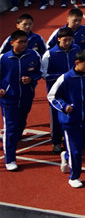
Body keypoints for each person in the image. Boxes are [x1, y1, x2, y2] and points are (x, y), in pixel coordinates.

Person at [48, 49, 85, 188]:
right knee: (75, 151)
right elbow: (52, 96)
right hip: (70, 121)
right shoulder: (65, 78)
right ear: (77, 63)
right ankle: (74, 177)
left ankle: (65, 156)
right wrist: (64, 107)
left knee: (81, 146)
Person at [0, 31, 42, 170]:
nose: (24, 44)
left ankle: (14, 141)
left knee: (21, 122)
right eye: (21, 42)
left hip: (26, 97)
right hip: (9, 99)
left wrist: (32, 78)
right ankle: (10, 159)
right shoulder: (3, 58)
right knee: (10, 127)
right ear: (12, 43)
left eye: (26, 41)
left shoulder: (33, 55)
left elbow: (39, 71)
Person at [41, 27, 80, 153]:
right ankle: (56, 142)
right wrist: (62, 76)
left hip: (73, 90)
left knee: (73, 115)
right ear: (58, 39)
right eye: (65, 40)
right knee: (56, 117)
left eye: (70, 39)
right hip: (56, 91)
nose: (67, 42)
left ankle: (70, 141)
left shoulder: (77, 50)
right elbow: (44, 74)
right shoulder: (50, 54)